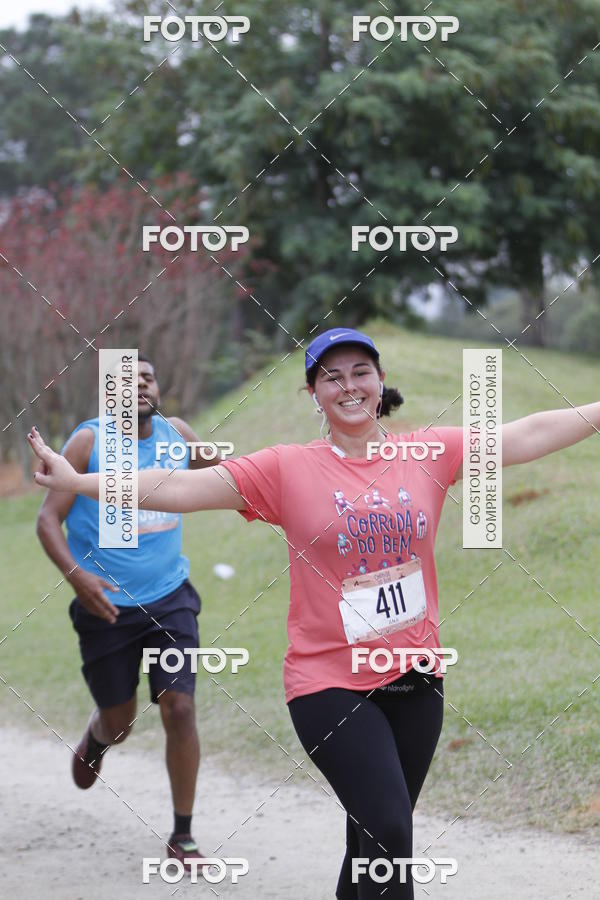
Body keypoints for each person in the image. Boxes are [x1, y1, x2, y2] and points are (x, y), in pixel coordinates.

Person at [28, 328, 600, 898]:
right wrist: (80, 481)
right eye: (332, 376)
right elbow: (178, 486)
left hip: (417, 678)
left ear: (380, 383)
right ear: (312, 394)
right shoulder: (285, 469)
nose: (348, 386)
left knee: (371, 838)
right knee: (392, 834)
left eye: (360, 372)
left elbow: (525, 434)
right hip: (328, 684)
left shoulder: (426, 453)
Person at [35, 353, 216, 868]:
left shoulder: (177, 434)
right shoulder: (87, 442)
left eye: (147, 378)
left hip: (170, 596)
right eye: (125, 380)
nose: (138, 385)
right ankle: (99, 735)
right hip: (106, 607)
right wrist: (77, 577)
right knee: (121, 721)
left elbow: (228, 472)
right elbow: (48, 521)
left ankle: (182, 835)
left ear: (159, 388)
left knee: (179, 706)